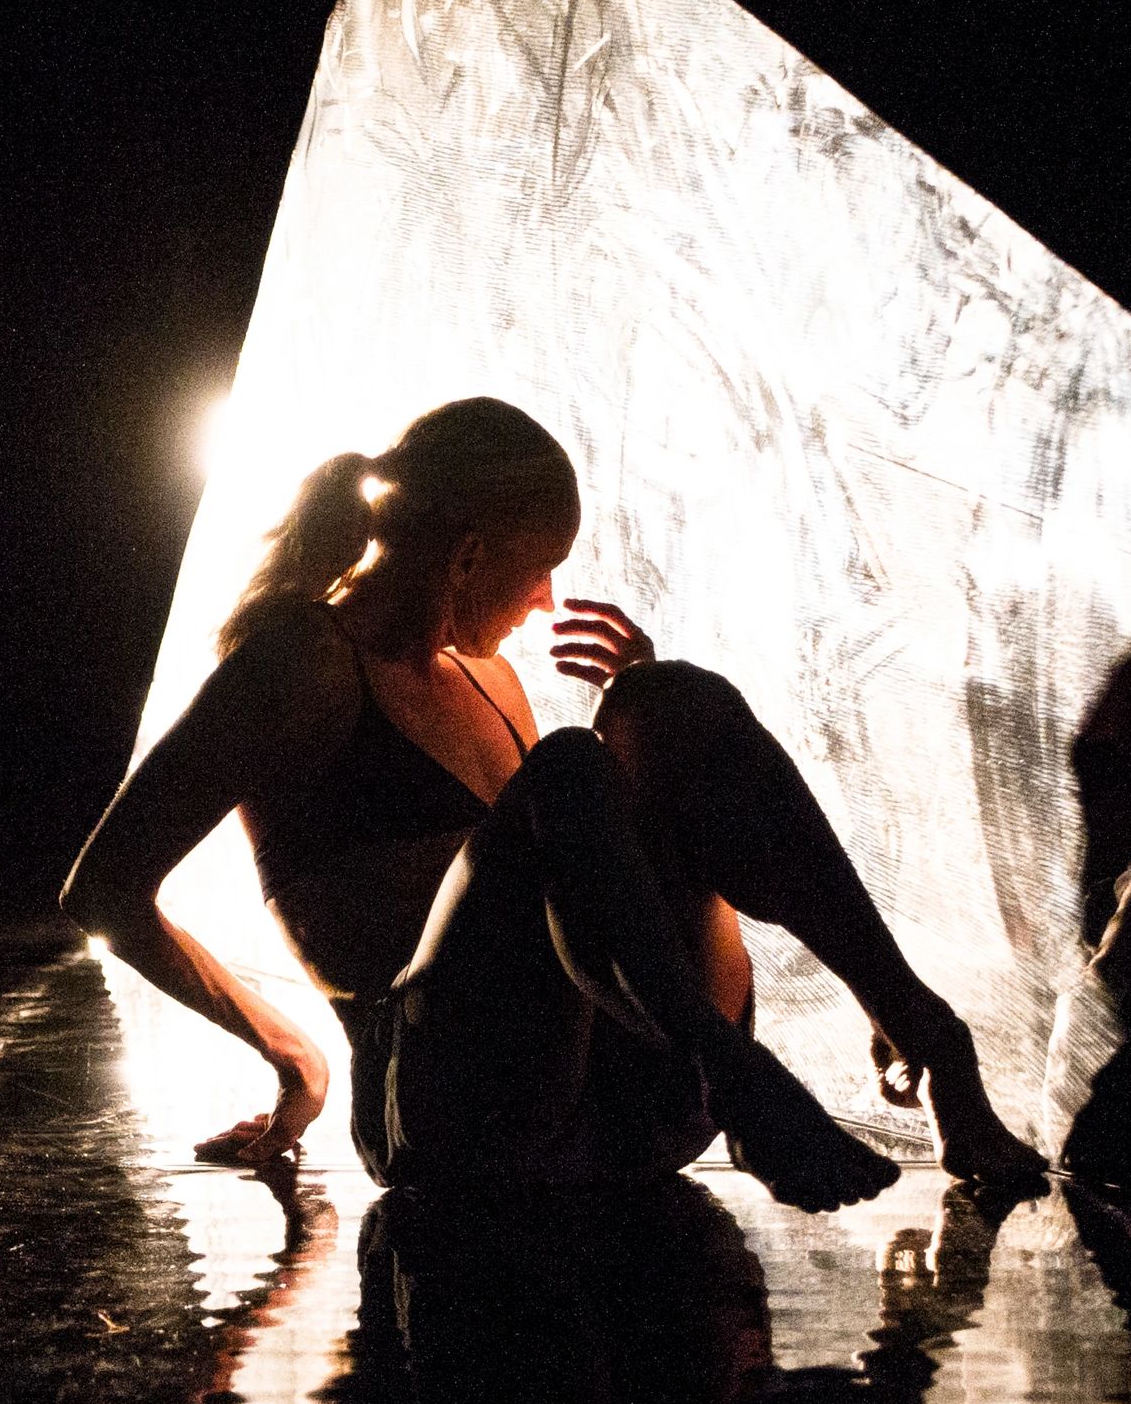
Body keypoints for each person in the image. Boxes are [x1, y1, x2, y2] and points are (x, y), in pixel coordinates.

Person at [62, 396, 1041, 1200]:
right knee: (573, 764)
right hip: (455, 1113)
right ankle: (729, 1069)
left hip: (627, 1098)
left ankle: (921, 1033)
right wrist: (292, 1054)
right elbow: (103, 887)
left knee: (663, 703)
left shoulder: (494, 683)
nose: (545, 600)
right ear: (465, 558)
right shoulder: (303, 665)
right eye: (539, 569)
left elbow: (587, 904)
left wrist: (652, 738)